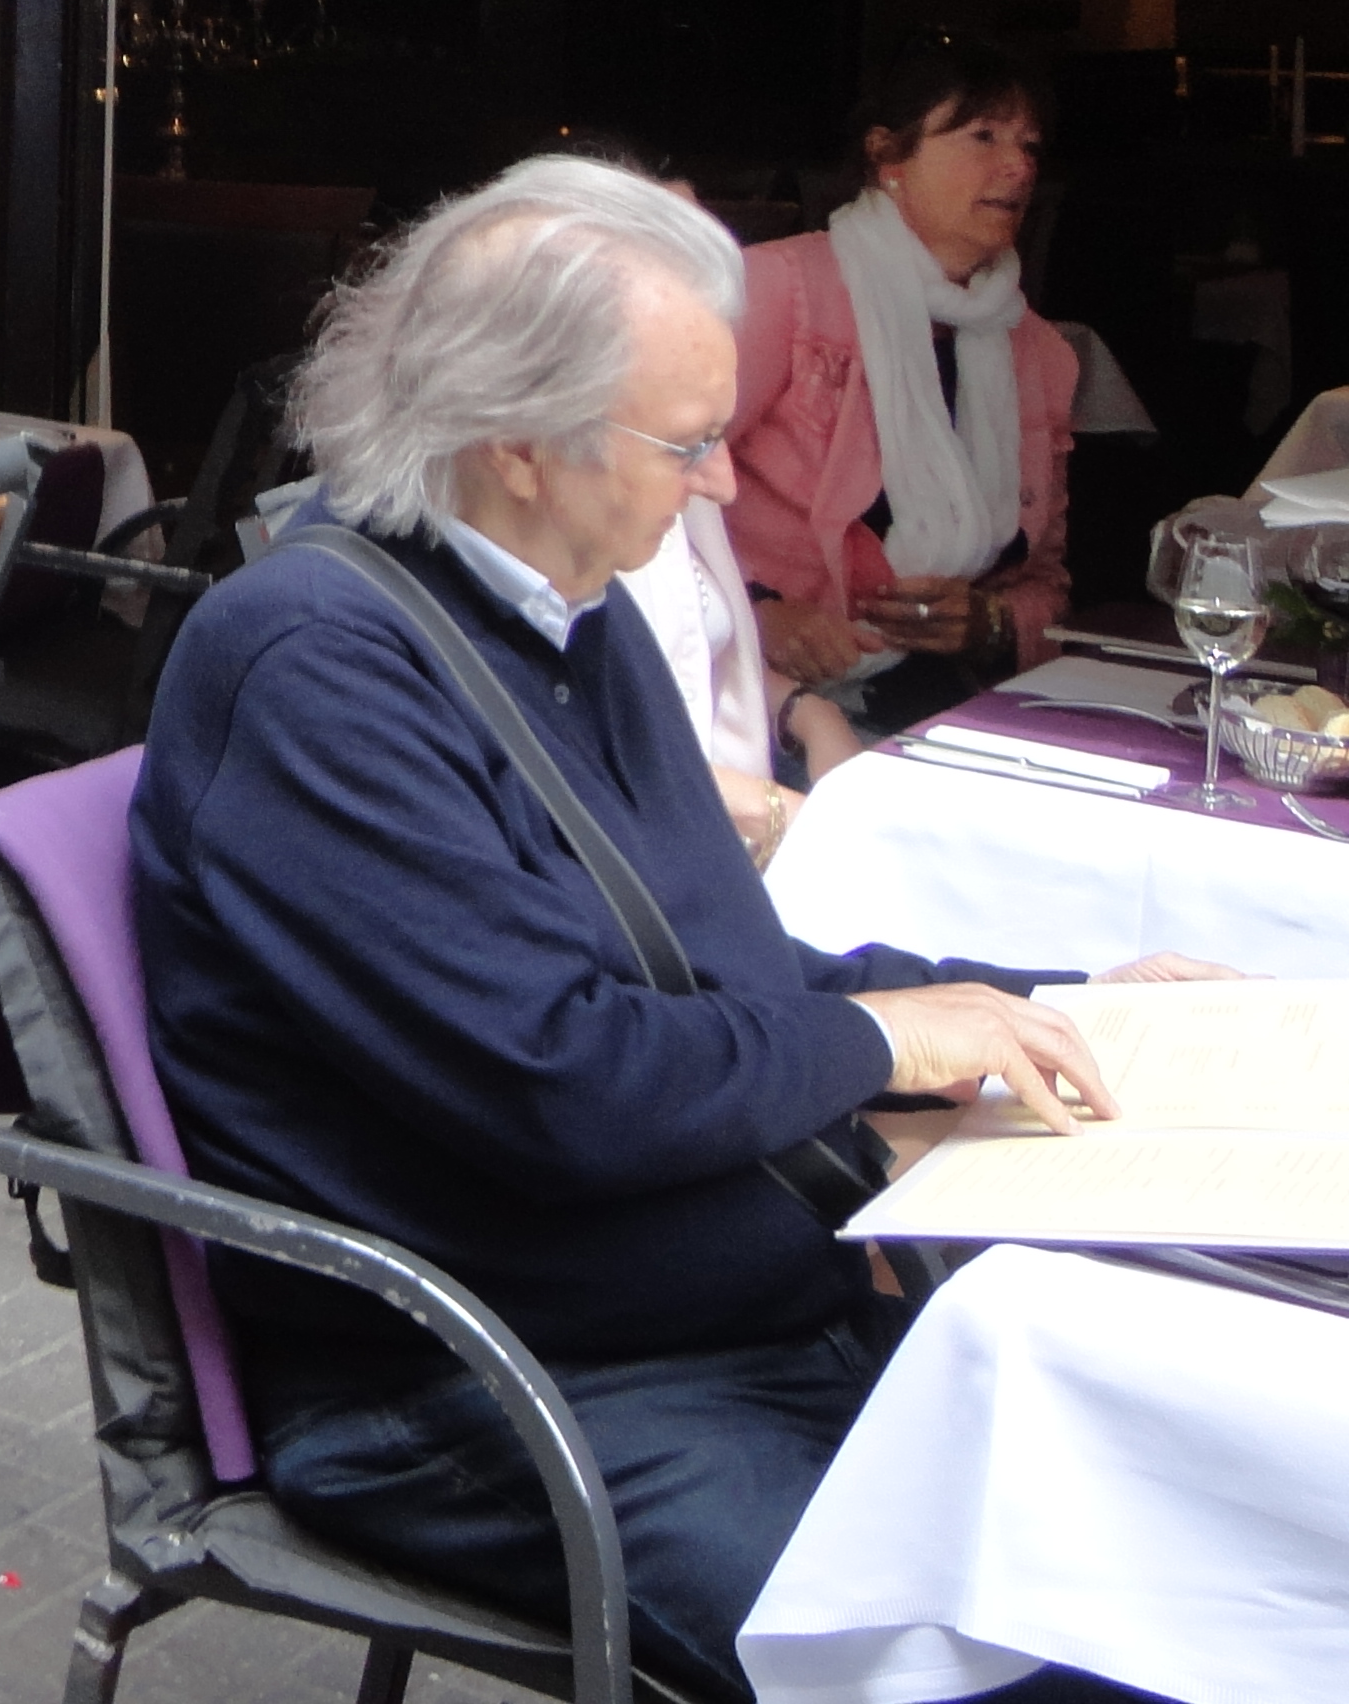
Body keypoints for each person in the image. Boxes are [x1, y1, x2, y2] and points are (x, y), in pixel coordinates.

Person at [134, 155, 1226, 1699]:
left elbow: (722, 973)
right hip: (490, 1385)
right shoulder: (317, 667)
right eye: (691, 442)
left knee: (1183, 1578)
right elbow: (562, 1082)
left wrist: (1053, 1003)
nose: (722, 486)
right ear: (518, 439)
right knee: (1030, 1669)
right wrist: (884, 1042)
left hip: (725, 1315)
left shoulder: (564, 608)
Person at [725, 39, 1075, 739]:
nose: (1018, 167)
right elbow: (634, 485)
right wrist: (755, 613)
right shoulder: (780, 290)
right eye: (983, 136)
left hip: (938, 706)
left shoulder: (1036, 350)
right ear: (889, 158)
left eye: (1029, 145)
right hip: (756, 702)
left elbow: (1046, 583)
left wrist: (991, 622)